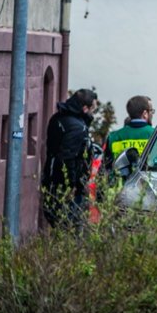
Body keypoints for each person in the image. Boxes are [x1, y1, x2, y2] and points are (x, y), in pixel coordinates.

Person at [42, 88, 99, 227]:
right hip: (69, 187)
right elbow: (68, 158)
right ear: (85, 108)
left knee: (58, 220)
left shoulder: (58, 118)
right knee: (71, 226)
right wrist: (72, 185)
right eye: (93, 109)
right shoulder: (77, 127)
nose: (93, 113)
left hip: (51, 178)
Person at [104, 95, 155, 173]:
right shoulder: (155, 134)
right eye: (151, 111)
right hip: (145, 182)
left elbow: (106, 166)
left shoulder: (113, 137)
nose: (152, 114)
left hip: (119, 183)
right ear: (145, 113)